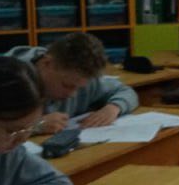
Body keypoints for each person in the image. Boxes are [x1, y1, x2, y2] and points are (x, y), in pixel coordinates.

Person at [7, 32, 138, 135]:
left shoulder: (79, 76)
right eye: (67, 85)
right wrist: (36, 126)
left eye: (79, 88)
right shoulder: (7, 80)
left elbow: (126, 91)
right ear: (47, 63)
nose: (72, 94)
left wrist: (113, 108)